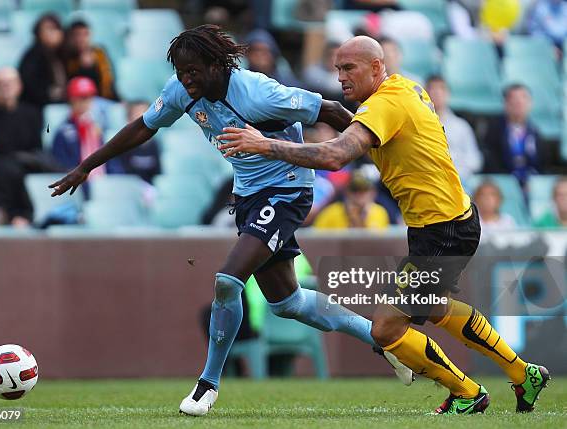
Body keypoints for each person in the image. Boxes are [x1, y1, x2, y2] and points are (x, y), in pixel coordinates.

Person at [48, 25, 413, 416]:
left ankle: (208, 385)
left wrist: (384, 156)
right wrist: (86, 166)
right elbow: (143, 127)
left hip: (287, 190)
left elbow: (331, 110)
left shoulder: (258, 91)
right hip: (249, 197)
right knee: (289, 304)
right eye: (181, 72)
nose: (186, 80)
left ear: (215, 65)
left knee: (227, 280)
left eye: (193, 72)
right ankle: (383, 339)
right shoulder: (179, 90)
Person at [218, 35, 550, 415]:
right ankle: (524, 374)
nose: (340, 76)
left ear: (377, 67)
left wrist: (265, 145)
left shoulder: (384, 104)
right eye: (337, 68)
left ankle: (468, 392)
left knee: (386, 328)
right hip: (447, 221)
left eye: (349, 68)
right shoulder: (407, 88)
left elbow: (334, 156)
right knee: (436, 308)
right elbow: (370, 134)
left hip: (442, 228)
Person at [0, 67, 53, 173]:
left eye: (10, 83)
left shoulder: (33, 114)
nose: (6, 87)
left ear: (19, 86)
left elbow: (37, 148)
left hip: (28, 168)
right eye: (0, 83)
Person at [51, 77, 124, 184]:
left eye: (90, 97)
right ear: (72, 100)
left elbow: (109, 161)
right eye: (83, 98)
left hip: (103, 183)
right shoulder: (64, 132)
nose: (87, 103)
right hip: (79, 184)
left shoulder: (95, 127)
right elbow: (62, 164)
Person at [425, 75, 482, 181]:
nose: (437, 93)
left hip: (459, 181)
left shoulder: (461, 126)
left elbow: (475, 160)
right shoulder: (416, 125)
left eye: (441, 89)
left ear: (448, 94)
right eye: (432, 89)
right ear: (425, 94)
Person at [483, 84, 542, 186]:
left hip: (531, 183)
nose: (519, 102)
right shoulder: (493, 131)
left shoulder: (535, 132)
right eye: (513, 99)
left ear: (530, 103)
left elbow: (541, 164)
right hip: (503, 183)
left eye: (524, 98)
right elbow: (491, 162)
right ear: (505, 104)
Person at [18, 13, 67, 110]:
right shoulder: (33, 55)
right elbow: (30, 87)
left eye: (55, 28)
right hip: (36, 108)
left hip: (60, 105)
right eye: (48, 29)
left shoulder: (62, 54)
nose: (52, 33)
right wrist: (51, 93)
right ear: (38, 33)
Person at [64, 20, 119, 101]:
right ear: (70, 37)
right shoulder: (67, 57)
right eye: (77, 35)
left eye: (85, 34)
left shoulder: (99, 53)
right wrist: (83, 68)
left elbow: (109, 82)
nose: (81, 39)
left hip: (104, 99)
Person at [313, 172, 389, 229]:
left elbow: (376, 244)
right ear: (347, 191)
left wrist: (360, 219)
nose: (359, 194)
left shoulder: (379, 212)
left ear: (373, 192)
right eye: (355, 189)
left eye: (364, 189)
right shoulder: (331, 212)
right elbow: (317, 242)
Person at [119, 101, 161, 184]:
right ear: (129, 120)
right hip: (128, 189)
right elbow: (120, 175)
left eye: (146, 113)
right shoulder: (122, 145)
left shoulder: (154, 145)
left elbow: (158, 174)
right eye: (137, 114)